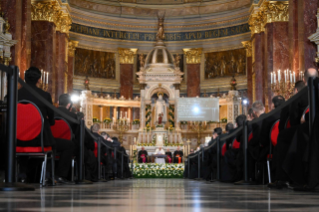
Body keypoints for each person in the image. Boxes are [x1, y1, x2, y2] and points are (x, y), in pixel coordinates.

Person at [18, 67, 75, 184]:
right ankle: (58, 176)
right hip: (40, 140)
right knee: (68, 145)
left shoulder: (15, 94)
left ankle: (22, 173)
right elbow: (52, 119)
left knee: (26, 146)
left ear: (24, 78)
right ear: (39, 80)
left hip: (16, 140)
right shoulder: (44, 96)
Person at [269, 68, 318, 189]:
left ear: (303, 79)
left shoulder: (300, 95)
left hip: (306, 129)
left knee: (284, 136)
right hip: (314, 127)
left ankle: (282, 178)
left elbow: (293, 117)